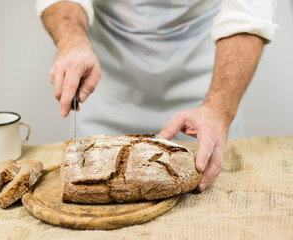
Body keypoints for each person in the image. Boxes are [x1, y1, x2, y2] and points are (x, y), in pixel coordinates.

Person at [36, 0, 277, 192]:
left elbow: (248, 12)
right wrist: (72, 41)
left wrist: (219, 110)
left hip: (205, 88)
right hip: (107, 88)